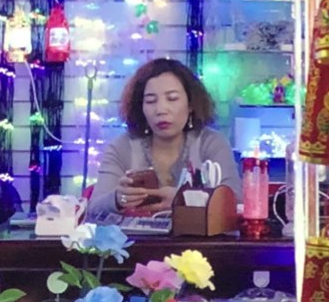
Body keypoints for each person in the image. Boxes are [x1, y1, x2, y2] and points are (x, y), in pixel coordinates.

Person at [85, 58, 242, 224]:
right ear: (141, 107)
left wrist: (184, 200)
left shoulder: (211, 143)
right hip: (135, 240)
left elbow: (236, 203)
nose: (160, 110)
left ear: (190, 104)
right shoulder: (122, 147)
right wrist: (118, 199)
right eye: (150, 101)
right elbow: (93, 209)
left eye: (172, 99)